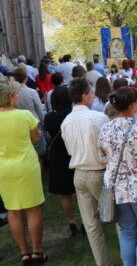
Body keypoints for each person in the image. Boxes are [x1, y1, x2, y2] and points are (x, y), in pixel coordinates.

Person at [98, 87, 137, 265]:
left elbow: (104, 160)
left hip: (117, 189)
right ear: (133, 105)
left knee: (127, 231)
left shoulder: (105, 130)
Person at [61, 78, 112, 266]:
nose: (94, 96)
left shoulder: (66, 122)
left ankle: (104, 263)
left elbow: (70, 151)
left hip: (79, 175)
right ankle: (128, 259)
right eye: (91, 93)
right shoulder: (98, 118)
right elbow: (109, 147)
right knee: (120, 219)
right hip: (98, 172)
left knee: (91, 225)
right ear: (84, 96)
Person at [0, 77, 47, 266]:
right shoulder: (25, 115)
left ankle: (24, 253)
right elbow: (36, 138)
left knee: (13, 210)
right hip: (27, 165)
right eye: (16, 94)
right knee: (33, 208)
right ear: (10, 97)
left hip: (4, 167)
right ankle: (37, 251)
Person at [44, 86, 80, 236]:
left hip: (58, 156)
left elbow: (48, 135)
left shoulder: (49, 118)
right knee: (80, 191)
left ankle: (71, 220)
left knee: (65, 193)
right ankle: (86, 219)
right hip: (73, 153)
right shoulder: (73, 116)